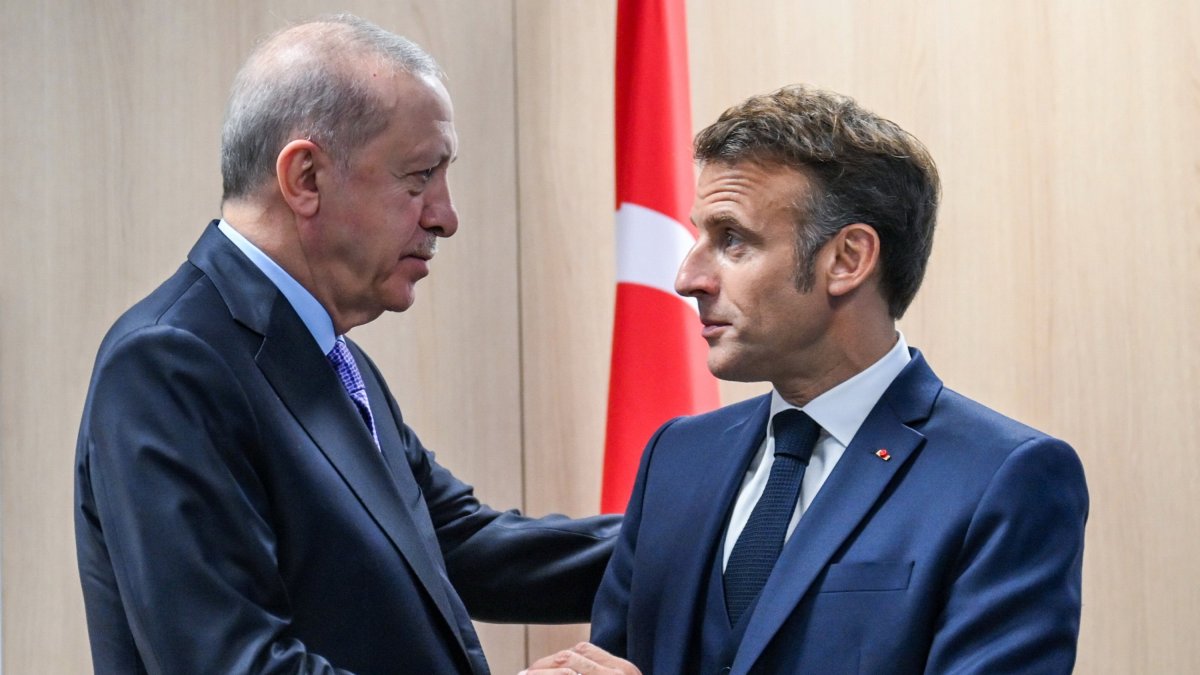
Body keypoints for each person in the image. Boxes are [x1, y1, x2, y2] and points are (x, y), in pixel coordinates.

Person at [74, 14, 619, 675]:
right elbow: (233, 663)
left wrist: (704, 526)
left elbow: (464, 544)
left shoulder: (329, 353)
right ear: (305, 177)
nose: (446, 215)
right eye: (419, 177)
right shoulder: (168, 363)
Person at [524, 85, 1088, 674]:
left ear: (847, 260)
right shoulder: (676, 457)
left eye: (732, 240)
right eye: (700, 237)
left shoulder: (1004, 477)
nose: (687, 277)